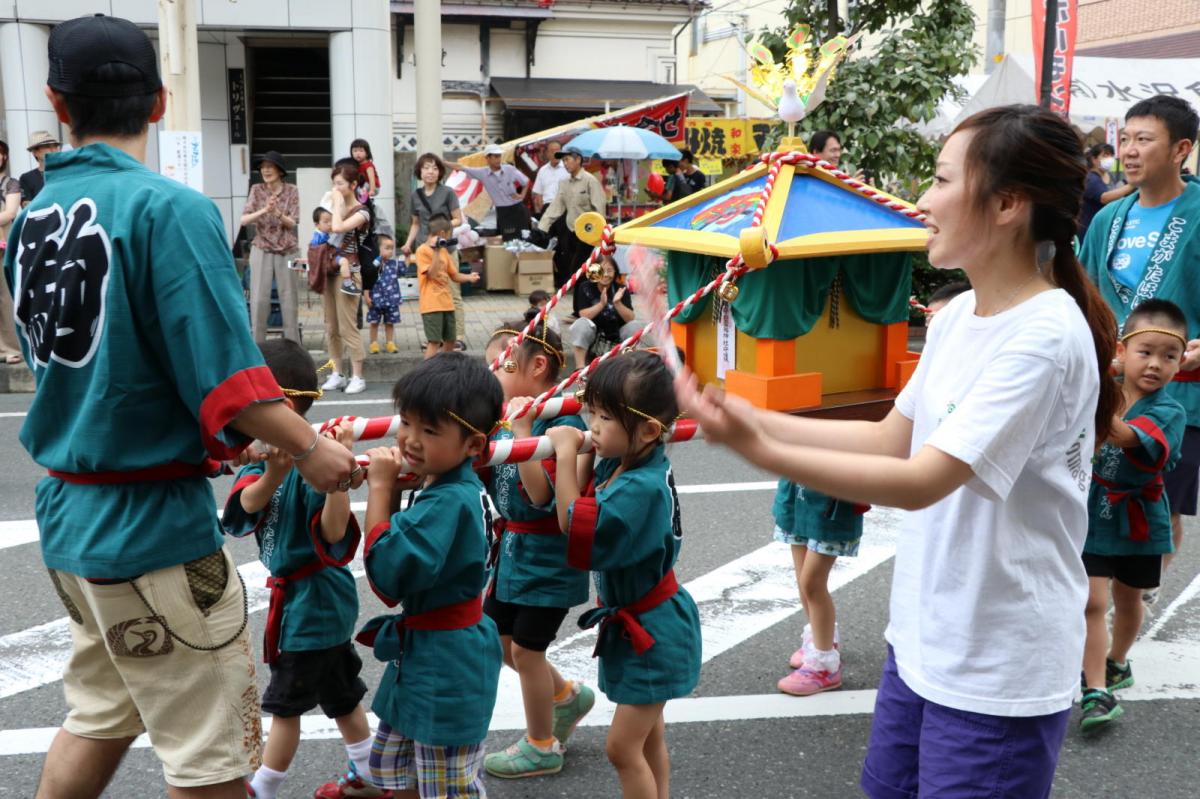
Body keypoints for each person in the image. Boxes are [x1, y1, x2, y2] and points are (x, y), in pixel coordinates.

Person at [677, 105, 1120, 798]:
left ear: (1007, 203)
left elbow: (919, 480)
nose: (922, 199)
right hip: (923, 640)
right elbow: (892, 435)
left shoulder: (1044, 336)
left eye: (942, 179)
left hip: (996, 670)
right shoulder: (959, 319)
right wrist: (754, 415)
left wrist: (760, 446)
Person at [8, 15, 357, 799]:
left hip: (72, 517)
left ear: (57, 104)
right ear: (161, 102)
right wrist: (310, 449)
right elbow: (231, 383)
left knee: (98, 712)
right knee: (210, 757)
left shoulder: (27, 220)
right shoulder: (169, 209)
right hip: (155, 529)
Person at [220, 340, 385, 799]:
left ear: (282, 405)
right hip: (299, 600)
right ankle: (371, 775)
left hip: (314, 603)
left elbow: (334, 536)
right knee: (341, 695)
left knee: (285, 706)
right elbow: (241, 511)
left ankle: (264, 788)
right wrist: (272, 473)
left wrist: (341, 482)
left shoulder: (317, 459)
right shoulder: (264, 458)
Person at [545, 351, 702, 799]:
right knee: (649, 738)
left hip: (654, 632)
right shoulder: (628, 461)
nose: (592, 424)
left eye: (603, 417)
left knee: (621, 748)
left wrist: (562, 449)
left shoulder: (639, 487)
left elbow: (570, 521)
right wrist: (579, 452)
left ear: (650, 430)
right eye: (590, 411)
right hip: (647, 622)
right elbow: (586, 496)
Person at [359, 353, 505, 799]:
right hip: (437, 649)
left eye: (429, 431)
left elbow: (388, 570)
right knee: (393, 765)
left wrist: (381, 491)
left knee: (446, 784)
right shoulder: (451, 486)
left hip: (446, 661)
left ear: (474, 445)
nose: (409, 440)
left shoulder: (448, 500)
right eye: (406, 423)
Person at [1080, 95, 1200, 579]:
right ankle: (1103, 609)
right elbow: (1082, 296)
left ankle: (1133, 600)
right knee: (1095, 493)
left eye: (1144, 140)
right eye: (1124, 139)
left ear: (1180, 149)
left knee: (1162, 507)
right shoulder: (1109, 219)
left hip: (1179, 395)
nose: (1128, 151)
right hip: (1111, 388)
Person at [480, 324, 596, 779]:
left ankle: (541, 745)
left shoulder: (562, 422)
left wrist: (524, 432)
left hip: (549, 556)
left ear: (537, 366)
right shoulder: (507, 417)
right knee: (501, 641)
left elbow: (541, 495)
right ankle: (567, 697)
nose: (492, 376)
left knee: (527, 652)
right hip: (513, 550)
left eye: (499, 365)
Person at [1079, 299, 1188, 733]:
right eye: (1145, 351)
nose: (1156, 364)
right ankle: (1096, 690)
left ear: (1181, 364)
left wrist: (1087, 391)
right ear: (1122, 351)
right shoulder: (1100, 386)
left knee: (1128, 600)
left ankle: (1118, 660)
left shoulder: (1170, 411)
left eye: (1169, 356)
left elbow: (1124, 435)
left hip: (1140, 520)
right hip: (1090, 514)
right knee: (1092, 600)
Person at [771, 481, 866, 696]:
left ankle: (824, 665)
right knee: (803, 578)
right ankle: (820, 640)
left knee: (812, 583)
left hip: (830, 496)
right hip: (797, 493)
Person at [402, 153, 466, 349]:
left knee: (452, 292)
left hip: (446, 248)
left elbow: (459, 219)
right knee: (429, 294)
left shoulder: (448, 193)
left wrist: (442, 228)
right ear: (419, 172)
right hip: (425, 251)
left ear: (440, 172)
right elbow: (415, 224)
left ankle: (458, 337)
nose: (430, 172)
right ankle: (433, 337)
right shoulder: (415, 196)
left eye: (435, 168)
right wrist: (407, 244)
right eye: (426, 168)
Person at [240, 150, 301, 343]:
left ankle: (293, 349)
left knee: (289, 300)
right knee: (258, 300)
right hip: (261, 248)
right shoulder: (257, 190)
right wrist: (265, 210)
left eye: (270, 166)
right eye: (263, 167)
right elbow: (244, 219)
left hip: (288, 251)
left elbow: (293, 222)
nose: (265, 170)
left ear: (280, 170)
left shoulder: (292, 190)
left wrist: (277, 214)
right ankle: (257, 350)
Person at [322, 163, 372, 395]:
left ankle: (358, 376)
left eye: (340, 183)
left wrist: (338, 203)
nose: (336, 188)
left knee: (347, 325)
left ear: (353, 185)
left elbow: (338, 226)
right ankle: (337, 373)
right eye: (334, 183)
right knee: (331, 325)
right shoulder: (334, 205)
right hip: (330, 270)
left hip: (350, 272)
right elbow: (323, 230)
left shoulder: (362, 212)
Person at [537, 146, 606, 287]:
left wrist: (600, 235)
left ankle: (592, 294)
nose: (565, 163)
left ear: (578, 160)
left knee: (581, 268)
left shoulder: (590, 181)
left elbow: (599, 208)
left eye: (567, 159)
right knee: (573, 268)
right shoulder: (564, 183)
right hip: (571, 231)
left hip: (589, 233)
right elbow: (556, 206)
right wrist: (542, 227)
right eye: (563, 160)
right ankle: (584, 297)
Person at [417, 215, 480, 359]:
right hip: (432, 305)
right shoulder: (423, 250)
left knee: (450, 340)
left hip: (447, 303)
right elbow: (431, 275)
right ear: (443, 234)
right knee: (434, 342)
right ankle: (425, 374)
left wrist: (469, 278)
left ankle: (445, 370)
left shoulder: (444, 251)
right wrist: (437, 252)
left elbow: (454, 275)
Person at [567, 255, 639, 369]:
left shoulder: (621, 289)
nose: (605, 275)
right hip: (593, 334)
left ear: (615, 272)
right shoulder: (585, 287)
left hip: (617, 334)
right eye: (601, 270)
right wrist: (601, 304)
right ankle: (579, 368)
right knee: (580, 324)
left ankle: (631, 365)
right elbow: (583, 314)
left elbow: (631, 318)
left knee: (634, 326)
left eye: (609, 270)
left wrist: (618, 303)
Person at [447, 145, 531, 240]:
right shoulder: (482, 173)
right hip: (503, 211)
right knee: (508, 239)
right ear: (487, 158)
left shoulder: (509, 169)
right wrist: (442, 162)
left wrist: (522, 196)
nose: (498, 159)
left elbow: (526, 181)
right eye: (495, 156)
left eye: (499, 156)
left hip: (518, 209)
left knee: (525, 238)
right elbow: (461, 167)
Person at [0, 139, 24, 364]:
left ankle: (10, 348)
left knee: (6, 297)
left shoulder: (11, 183)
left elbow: (10, 213)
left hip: (3, 245)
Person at [367, 234, 402, 355]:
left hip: (391, 299)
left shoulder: (394, 264)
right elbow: (366, 278)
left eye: (392, 248)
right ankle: (373, 343)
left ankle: (390, 342)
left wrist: (407, 256)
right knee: (374, 322)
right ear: (378, 248)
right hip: (375, 299)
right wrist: (366, 296)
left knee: (390, 322)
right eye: (387, 248)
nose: (390, 251)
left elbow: (404, 270)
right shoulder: (372, 264)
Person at [19, 129, 62, 205]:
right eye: (48, 147)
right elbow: (26, 207)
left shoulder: (67, 172)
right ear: (35, 152)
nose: (53, 150)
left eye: (55, 146)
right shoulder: (27, 178)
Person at [532, 140, 569, 215]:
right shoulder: (542, 170)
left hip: (564, 208)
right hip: (547, 208)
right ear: (547, 153)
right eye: (552, 151)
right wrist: (542, 209)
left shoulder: (568, 168)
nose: (555, 154)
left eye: (557, 151)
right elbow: (538, 193)